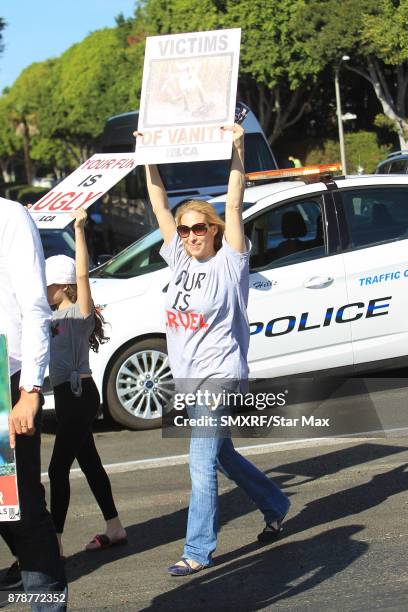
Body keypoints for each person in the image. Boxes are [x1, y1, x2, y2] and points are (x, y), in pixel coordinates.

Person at [140, 124, 290, 576]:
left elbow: (236, 200)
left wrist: (239, 150)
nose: (190, 235)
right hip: (188, 379)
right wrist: (147, 156)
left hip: (219, 377)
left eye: (199, 227)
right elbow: (159, 203)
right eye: (185, 230)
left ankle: (198, 550)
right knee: (221, 455)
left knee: (200, 464)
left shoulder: (230, 260)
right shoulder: (179, 258)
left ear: (214, 228)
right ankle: (275, 501)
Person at [46, 209, 126, 556]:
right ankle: (115, 526)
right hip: (64, 397)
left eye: (48, 284)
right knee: (89, 461)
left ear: (64, 286)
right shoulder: (47, 314)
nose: (43, 289)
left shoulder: (79, 314)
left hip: (80, 395)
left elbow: (82, 273)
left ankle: (55, 541)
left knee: (56, 467)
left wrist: (78, 230)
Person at [0, 197, 67, 609]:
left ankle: (46, 603)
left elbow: (35, 307)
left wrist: (30, 391)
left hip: (5, 384)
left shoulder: (9, 216)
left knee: (17, 510)